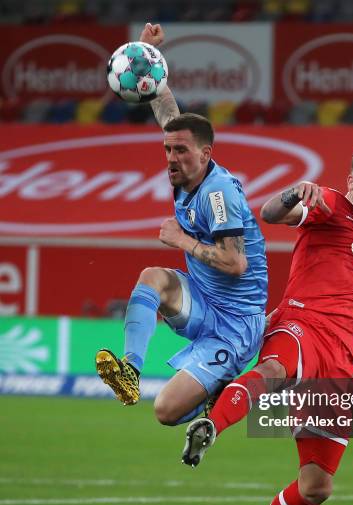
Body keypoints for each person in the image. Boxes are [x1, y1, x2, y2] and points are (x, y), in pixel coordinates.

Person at [181, 146, 353, 505]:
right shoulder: (333, 204)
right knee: (277, 369)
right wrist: (296, 193)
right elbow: (271, 212)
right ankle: (214, 423)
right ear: (352, 178)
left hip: (338, 363)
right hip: (302, 324)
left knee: (317, 485)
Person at [96, 23, 268, 426]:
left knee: (166, 413)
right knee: (152, 277)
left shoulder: (216, 194)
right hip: (204, 303)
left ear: (205, 154)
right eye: (167, 150)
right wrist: (147, 58)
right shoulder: (188, 171)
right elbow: (168, 113)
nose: (171, 158)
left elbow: (236, 263)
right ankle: (130, 373)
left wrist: (182, 240)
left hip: (236, 324)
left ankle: (219, 393)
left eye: (181, 151)